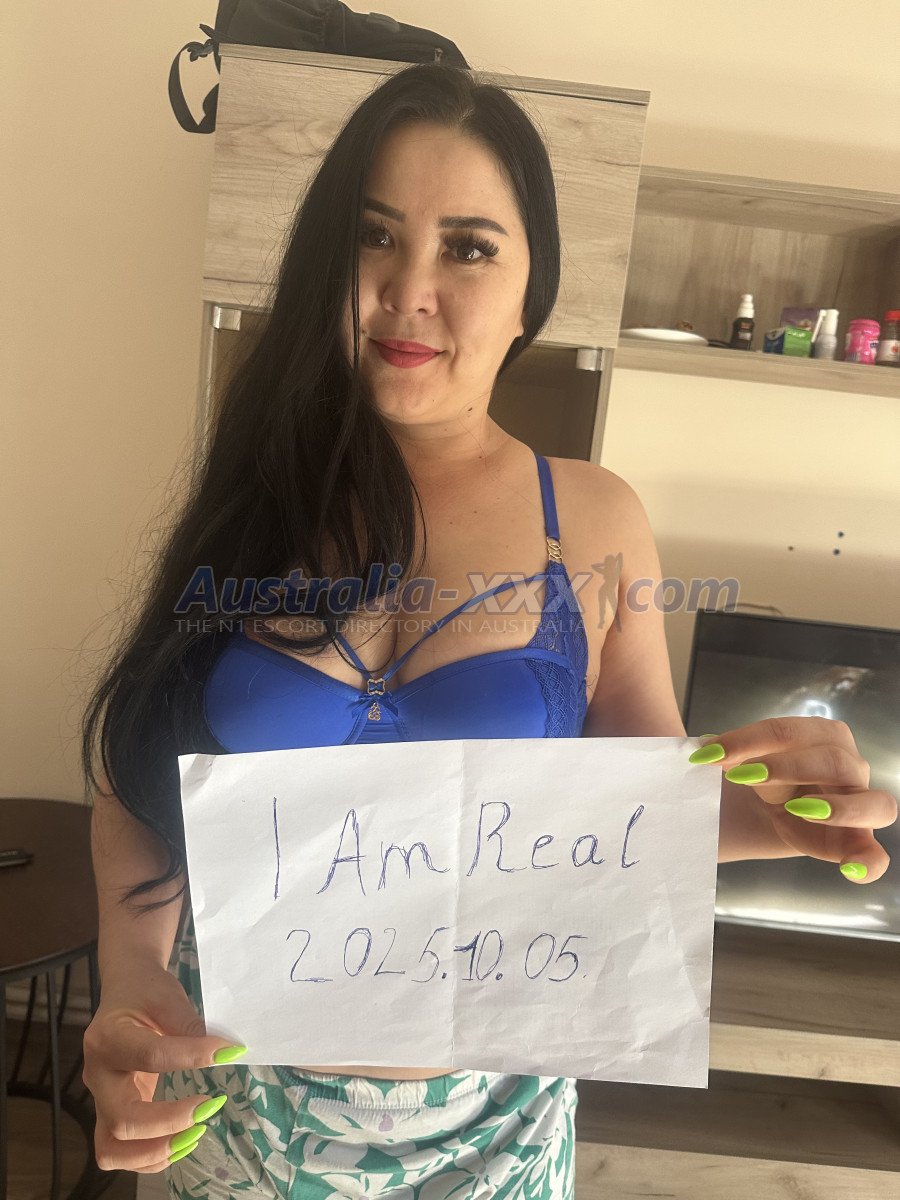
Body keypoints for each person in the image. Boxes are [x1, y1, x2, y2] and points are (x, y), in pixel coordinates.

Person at [81, 62, 895, 1195]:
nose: (408, 290)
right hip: (238, 1112)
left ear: (530, 294)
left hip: (495, 1136)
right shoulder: (255, 497)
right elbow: (144, 760)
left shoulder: (592, 522)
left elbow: (631, 813)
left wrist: (775, 811)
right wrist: (131, 978)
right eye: (374, 237)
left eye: (468, 248)